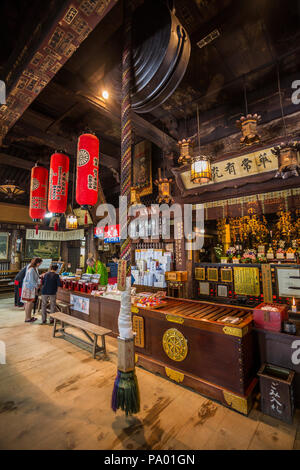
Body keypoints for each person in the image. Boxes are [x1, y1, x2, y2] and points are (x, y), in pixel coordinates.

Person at [21, 257, 42, 323]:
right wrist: (37, 287)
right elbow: (32, 280)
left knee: (29, 303)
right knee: (29, 303)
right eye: (40, 262)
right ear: (37, 263)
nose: (41, 264)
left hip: (30, 287)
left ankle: (29, 317)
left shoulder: (34, 268)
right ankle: (27, 318)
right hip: (29, 288)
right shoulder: (32, 269)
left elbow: (36, 278)